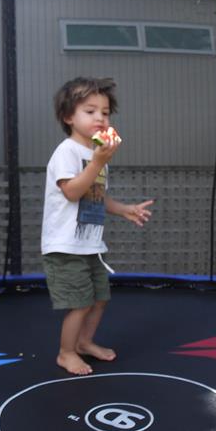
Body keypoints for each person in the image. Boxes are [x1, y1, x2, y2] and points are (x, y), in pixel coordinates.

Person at [41, 77, 154, 375]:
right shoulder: (67, 152)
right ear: (69, 117)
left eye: (105, 112)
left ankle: (84, 342)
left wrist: (125, 210)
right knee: (80, 303)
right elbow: (72, 192)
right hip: (65, 246)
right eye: (90, 111)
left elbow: (96, 196)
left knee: (100, 299)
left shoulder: (97, 155)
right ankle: (66, 353)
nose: (100, 118)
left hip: (90, 245)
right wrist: (97, 162)